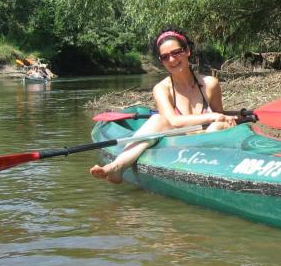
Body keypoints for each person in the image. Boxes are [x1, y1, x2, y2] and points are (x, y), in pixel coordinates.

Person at [89, 27, 238, 184]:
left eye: (176, 52)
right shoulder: (161, 89)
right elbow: (173, 121)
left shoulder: (210, 84)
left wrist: (225, 118)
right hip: (178, 143)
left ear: (187, 51)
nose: (172, 60)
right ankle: (117, 166)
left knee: (218, 125)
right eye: (165, 57)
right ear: (161, 61)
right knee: (158, 119)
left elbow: (221, 116)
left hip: (208, 138)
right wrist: (213, 116)